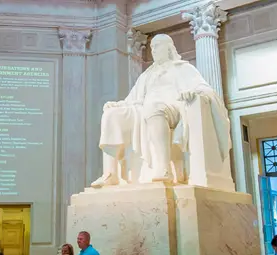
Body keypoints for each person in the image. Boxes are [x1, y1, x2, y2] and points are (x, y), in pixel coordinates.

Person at [91, 33, 231, 187]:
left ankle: (163, 168)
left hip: (174, 107)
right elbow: (132, 99)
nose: (153, 50)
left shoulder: (183, 68)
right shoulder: (147, 74)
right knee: (111, 115)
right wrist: (119, 105)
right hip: (143, 108)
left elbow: (205, 90)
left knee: (154, 108)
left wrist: (194, 93)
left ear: (169, 48)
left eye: (157, 46)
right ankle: (110, 174)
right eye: (152, 47)